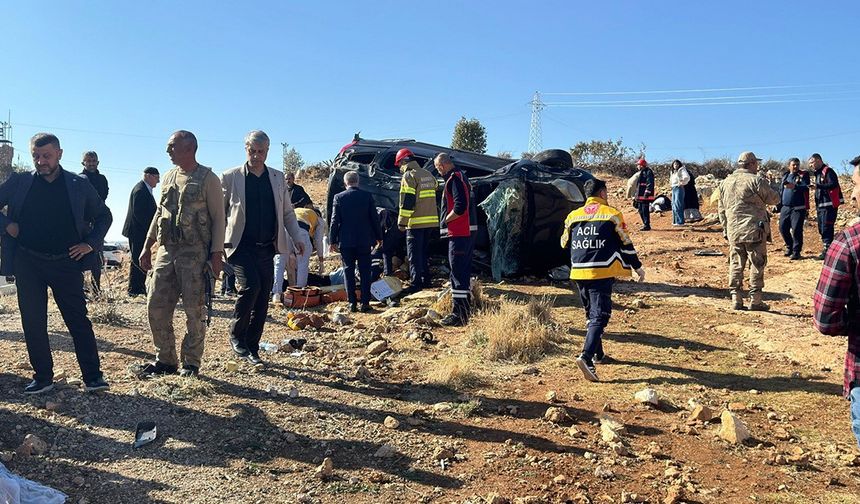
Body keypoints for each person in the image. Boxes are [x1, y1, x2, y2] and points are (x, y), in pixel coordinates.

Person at [0, 133, 112, 394]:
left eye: (47, 156)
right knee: (33, 320)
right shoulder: (19, 182)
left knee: (78, 320)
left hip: (66, 262)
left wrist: (90, 244)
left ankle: (93, 376)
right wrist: (8, 226)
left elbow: (104, 215)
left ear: (60, 154)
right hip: (28, 261)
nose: (41, 161)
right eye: (36, 156)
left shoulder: (77, 184)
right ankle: (42, 377)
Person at [138, 130, 225, 378]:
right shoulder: (167, 178)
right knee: (156, 304)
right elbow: (159, 214)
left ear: (189, 148)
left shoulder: (208, 178)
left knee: (194, 310)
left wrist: (216, 254)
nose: (168, 151)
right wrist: (147, 245)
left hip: (195, 253)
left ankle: (191, 363)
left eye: (172, 146)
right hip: (167, 250)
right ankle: (165, 359)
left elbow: (219, 218)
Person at [222, 131, 305, 365]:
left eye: (261, 152)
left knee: (263, 297)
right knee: (251, 287)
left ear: (267, 151)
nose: (257, 156)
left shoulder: (278, 178)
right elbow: (219, 214)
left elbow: (287, 213)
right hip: (240, 246)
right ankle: (237, 336)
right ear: (245, 149)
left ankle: (253, 346)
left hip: (267, 246)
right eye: (252, 151)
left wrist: (297, 237)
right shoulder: (230, 177)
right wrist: (216, 246)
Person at [561, 178, 645, 382]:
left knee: (591, 314)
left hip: (579, 272)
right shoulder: (612, 214)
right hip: (601, 271)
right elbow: (626, 243)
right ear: (603, 194)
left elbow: (564, 243)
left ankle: (598, 354)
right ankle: (586, 357)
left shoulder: (573, 216)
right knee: (601, 316)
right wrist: (637, 267)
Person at [812, 154, 860, 450]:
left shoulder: (850, 243)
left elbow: (825, 317)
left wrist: (853, 323)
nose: (852, 194)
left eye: (856, 185)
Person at [718, 151, 780, 311]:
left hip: (734, 231)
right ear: (751, 163)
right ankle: (756, 300)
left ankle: (736, 299)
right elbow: (774, 199)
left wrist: (726, 229)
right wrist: (770, 184)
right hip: (754, 230)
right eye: (756, 163)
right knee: (757, 264)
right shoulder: (756, 181)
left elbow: (721, 209)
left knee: (736, 263)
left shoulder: (725, 182)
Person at [328, 170, 382, 312]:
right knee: (365, 271)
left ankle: (352, 303)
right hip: (364, 240)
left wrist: (331, 240)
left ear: (345, 182)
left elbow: (335, 221)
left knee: (348, 271)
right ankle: (365, 303)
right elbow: (374, 219)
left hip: (346, 241)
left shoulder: (339, 197)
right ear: (358, 181)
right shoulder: (367, 196)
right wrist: (379, 236)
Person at [435, 152, 476, 327]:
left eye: (438, 168)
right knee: (462, 271)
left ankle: (459, 315)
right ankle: (464, 310)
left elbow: (460, 207)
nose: (438, 171)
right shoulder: (462, 177)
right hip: (465, 233)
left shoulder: (454, 179)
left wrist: (446, 220)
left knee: (457, 273)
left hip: (459, 233)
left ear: (442, 165)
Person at [396, 148, 439, 294]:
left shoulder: (409, 176)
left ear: (403, 162)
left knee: (414, 255)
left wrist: (402, 222)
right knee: (424, 252)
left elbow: (407, 201)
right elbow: (435, 188)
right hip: (431, 222)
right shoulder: (428, 174)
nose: (400, 168)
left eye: (399, 165)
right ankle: (426, 280)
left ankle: (416, 283)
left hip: (415, 222)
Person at [121, 167, 159, 296]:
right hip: (137, 231)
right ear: (148, 176)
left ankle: (140, 287)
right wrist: (151, 230)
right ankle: (134, 289)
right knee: (138, 259)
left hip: (141, 231)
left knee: (141, 258)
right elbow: (140, 214)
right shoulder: (140, 190)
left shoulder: (145, 189)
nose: (158, 182)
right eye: (156, 177)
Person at [80, 151, 110, 294]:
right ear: (83, 163)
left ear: (97, 162)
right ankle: (78, 289)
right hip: (82, 222)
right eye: (88, 161)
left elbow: (103, 197)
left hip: (97, 221)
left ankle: (96, 289)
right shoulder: (79, 179)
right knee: (78, 254)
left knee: (97, 257)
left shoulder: (102, 179)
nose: (91, 163)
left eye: (94, 161)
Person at [810, 153, 844, 260]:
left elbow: (833, 184)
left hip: (829, 205)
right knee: (821, 227)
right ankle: (828, 247)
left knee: (826, 227)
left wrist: (818, 186)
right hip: (820, 205)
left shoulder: (828, 171)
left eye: (812, 162)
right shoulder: (818, 173)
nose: (811, 165)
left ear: (819, 160)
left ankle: (828, 250)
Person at [777, 158, 810, 260]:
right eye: (793, 165)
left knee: (796, 230)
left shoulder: (803, 175)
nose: (796, 167)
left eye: (797, 165)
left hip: (798, 208)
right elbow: (781, 191)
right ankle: (789, 247)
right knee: (783, 228)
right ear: (789, 166)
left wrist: (794, 186)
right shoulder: (785, 176)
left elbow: (806, 186)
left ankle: (796, 251)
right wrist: (778, 205)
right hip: (785, 207)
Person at [293, 206, 327, 287]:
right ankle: (300, 290)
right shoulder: (319, 220)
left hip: (285, 230)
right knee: (303, 262)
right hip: (300, 230)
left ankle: (277, 291)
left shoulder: (300, 211)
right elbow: (319, 241)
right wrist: (321, 261)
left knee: (283, 262)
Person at [633, 158, 655, 231]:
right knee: (640, 210)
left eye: (638, 165)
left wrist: (647, 192)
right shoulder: (640, 173)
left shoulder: (648, 172)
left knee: (644, 210)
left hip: (645, 195)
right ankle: (645, 224)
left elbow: (650, 183)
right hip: (640, 195)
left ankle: (647, 225)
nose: (637, 166)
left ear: (642, 165)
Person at [669, 159, 690, 226]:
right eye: (674, 164)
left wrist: (682, 183)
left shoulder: (682, 170)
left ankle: (680, 221)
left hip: (679, 188)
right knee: (673, 204)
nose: (676, 165)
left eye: (677, 164)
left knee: (678, 204)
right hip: (673, 188)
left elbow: (687, 177)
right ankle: (675, 221)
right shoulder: (673, 172)